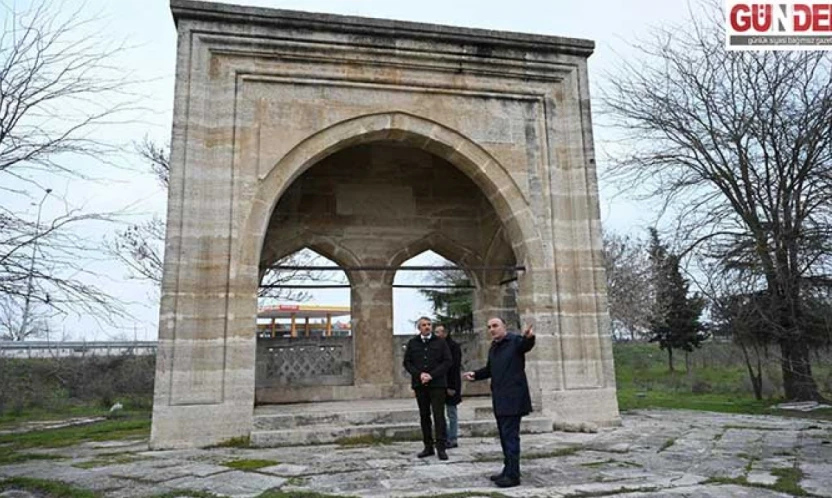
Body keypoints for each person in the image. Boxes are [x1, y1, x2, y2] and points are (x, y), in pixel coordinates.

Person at [463, 317, 535, 488]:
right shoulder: (494, 347)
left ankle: (513, 476)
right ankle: (507, 470)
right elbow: (490, 369)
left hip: (514, 399)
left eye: (495, 326)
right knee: (504, 437)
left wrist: (529, 338)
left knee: (511, 438)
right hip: (500, 399)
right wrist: (475, 375)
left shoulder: (515, 341)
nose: (492, 329)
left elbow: (526, 345)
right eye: (489, 327)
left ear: (504, 327)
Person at [403, 316, 452, 460]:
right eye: (424, 325)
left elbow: (447, 361)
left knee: (439, 416)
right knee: (424, 416)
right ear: (419, 328)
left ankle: (441, 447)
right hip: (420, 385)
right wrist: (420, 375)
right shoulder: (413, 343)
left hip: (437, 384)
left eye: (429, 324)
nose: (427, 327)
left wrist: (432, 375)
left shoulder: (440, 342)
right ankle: (428, 446)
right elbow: (407, 362)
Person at [434, 324, 462, 449]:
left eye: (439, 332)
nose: (437, 334)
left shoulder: (454, 347)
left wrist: (452, 386)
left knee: (451, 412)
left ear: (445, 333)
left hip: (450, 384)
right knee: (440, 413)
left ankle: (453, 438)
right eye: (435, 332)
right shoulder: (436, 347)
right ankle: (443, 437)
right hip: (439, 385)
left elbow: (454, 368)